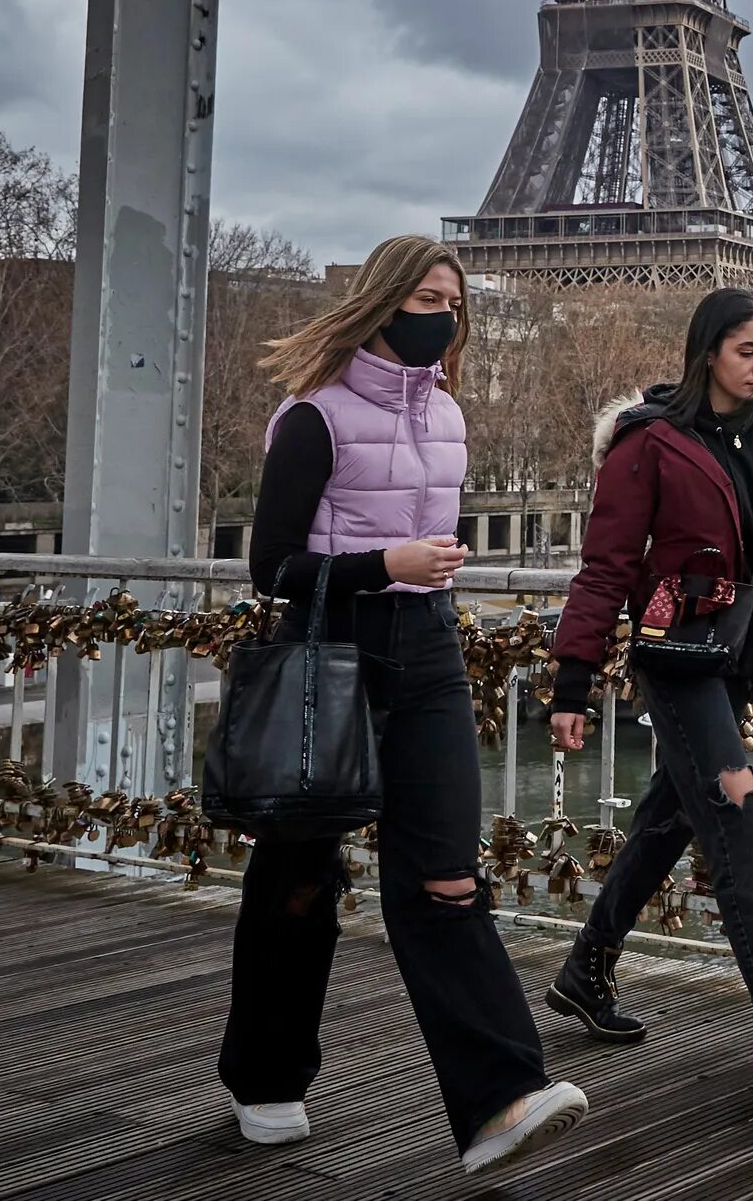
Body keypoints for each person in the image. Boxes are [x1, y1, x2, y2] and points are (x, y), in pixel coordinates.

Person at [217, 235, 588, 1174]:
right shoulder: (314, 419)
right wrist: (385, 565)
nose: (443, 316)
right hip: (331, 649)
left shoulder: (451, 417)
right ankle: (266, 1076)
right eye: (428, 297)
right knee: (300, 876)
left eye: (454, 303)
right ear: (381, 303)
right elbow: (271, 569)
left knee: (447, 875)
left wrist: (425, 577)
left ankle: (500, 1099)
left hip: (426, 645)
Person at [543, 287, 753, 1100]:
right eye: (744, 352)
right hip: (680, 663)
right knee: (740, 830)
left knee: (667, 819)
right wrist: (572, 683)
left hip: (738, 664)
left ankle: (587, 969)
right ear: (707, 354)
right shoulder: (651, 444)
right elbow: (606, 568)